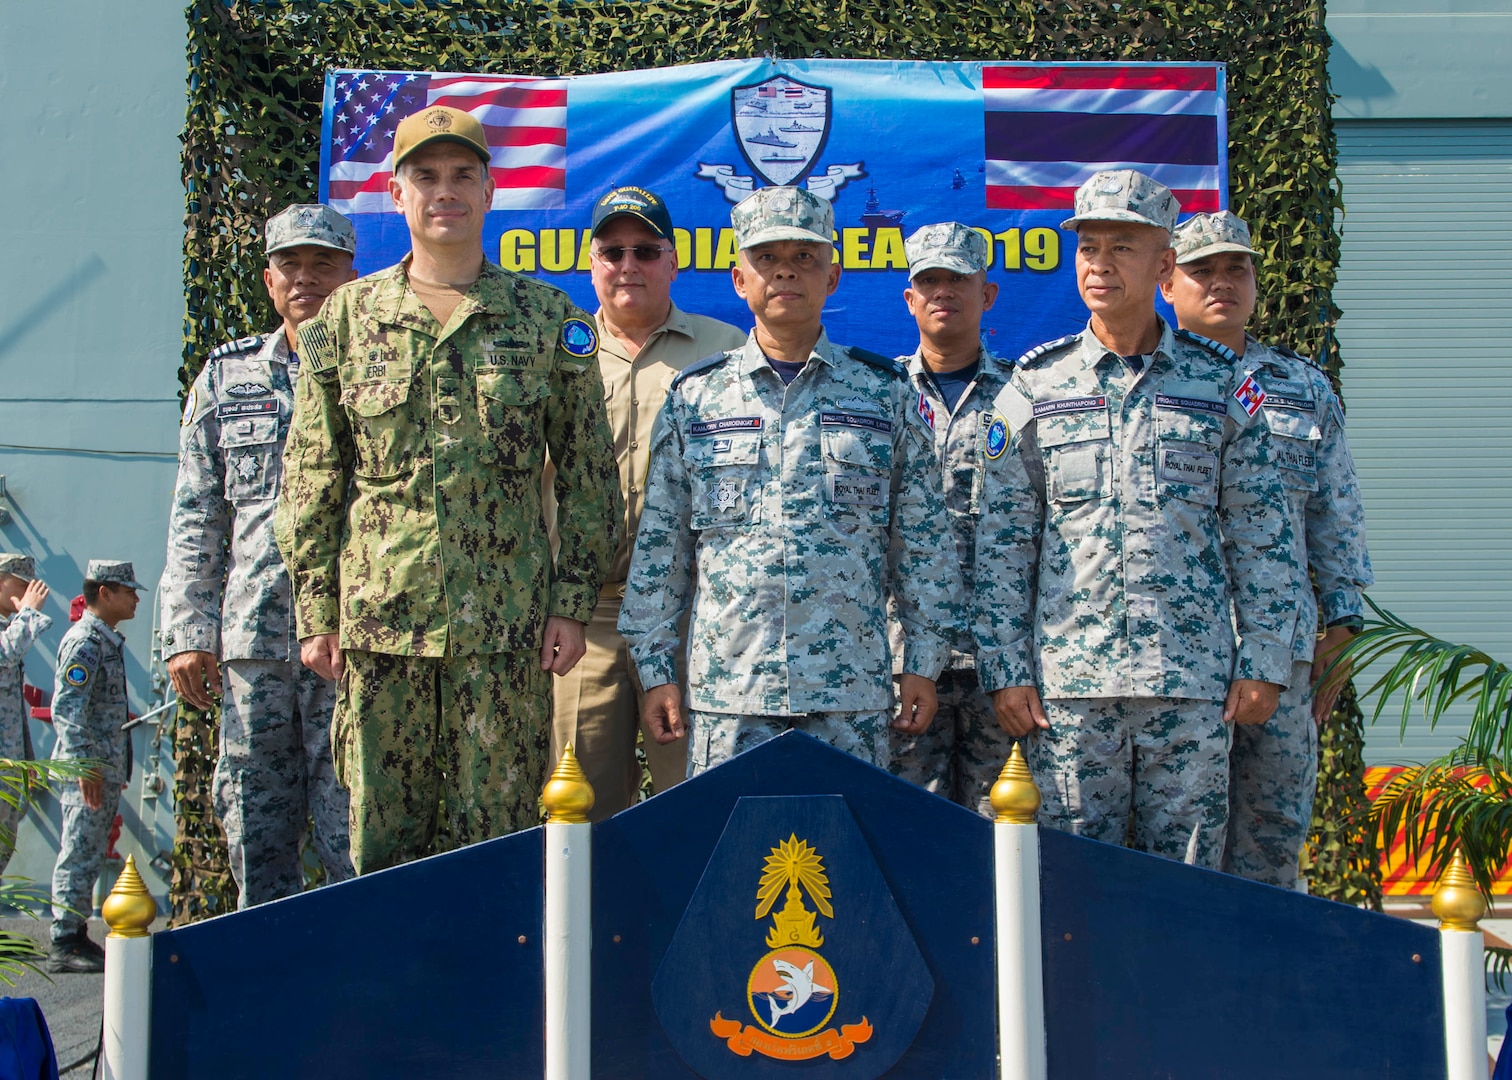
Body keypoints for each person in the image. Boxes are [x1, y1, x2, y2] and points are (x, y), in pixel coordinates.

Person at [278, 105, 620, 874]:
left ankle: (496, 994)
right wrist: (314, 612)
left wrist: (570, 602)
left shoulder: (546, 319)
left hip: (504, 641)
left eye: (462, 174)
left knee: (498, 848)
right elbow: (311, 475)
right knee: (378, 849)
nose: (445, 191)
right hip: (379, 632)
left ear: (491, 190)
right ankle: (386, 994)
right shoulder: (347, 318)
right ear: (396, 194)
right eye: (425, 176)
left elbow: (589, 475)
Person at [977, 170, 1299, 868]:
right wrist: (1006, 667)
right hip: (1068, 691)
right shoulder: (1035, 384)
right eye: (1088, 246)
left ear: (1162, 265)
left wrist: (1268, 657)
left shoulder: (1219, 385)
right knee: (1065, 883)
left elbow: (1262, 530)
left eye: (1122, 246)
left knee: (1184, 885)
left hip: (1191, 683)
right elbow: (1002, 539)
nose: (1099, 263)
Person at [619, 185, 963, 775]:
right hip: (731, 692)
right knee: (733, 859)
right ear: (738, 279)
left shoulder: (884, 393)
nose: (785, 273)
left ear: (832, 277)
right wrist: (655, 670)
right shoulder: (697, 397)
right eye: (767, 259)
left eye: (805, 258)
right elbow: (662, 547)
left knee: (847, 858)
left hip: (849, 693)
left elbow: (923, 544)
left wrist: (925, 661)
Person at [1160, 211, 1373, 887]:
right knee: (1177, 840)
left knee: (1273, 829)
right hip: (1174, 646)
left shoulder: (1302, 388)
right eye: (1202, 270)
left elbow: (1333, 509)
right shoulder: (1143, 380)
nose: (1221, 282)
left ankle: (1260, 984)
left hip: (1280, 644)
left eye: (1236, 268)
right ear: (1167, 282)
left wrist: (1342, 620)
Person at [161, 204, 357, 906]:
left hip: (351, 644)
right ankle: (267, 984)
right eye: (291, 265)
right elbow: (197, 514)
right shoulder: (226, 376)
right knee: (254, 824)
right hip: (254, 645)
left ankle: (361, 992)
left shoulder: (382, 371)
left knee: (354, 833)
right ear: (270, 280)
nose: (306, 278)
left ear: (350, 273)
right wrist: (188, 631)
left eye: (323, 263)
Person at [547, 186, 745, 819]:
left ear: (672, 260)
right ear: (591, 262)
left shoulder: (727, 351)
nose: (628, 265)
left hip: (692, 617)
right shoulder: (556, 351)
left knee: (698, 805)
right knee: (578, 812)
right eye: (612, 252)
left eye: (644, 251)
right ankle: (588, 923)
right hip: (585, 619)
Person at [886, 223, 1020, 815]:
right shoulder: (877, 391)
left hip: (1002, 659)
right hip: (904, 656)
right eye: (929, 281)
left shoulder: (1025, 393)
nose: (944, 292)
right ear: (910, 299)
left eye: (959, 280)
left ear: (986, 294)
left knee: (1004, 835)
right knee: (909, 826)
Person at [47, 560, 141, 973]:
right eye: (128, 590)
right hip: (86, 771)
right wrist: (86, 767)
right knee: (79, 849)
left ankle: (74, 932)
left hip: (99, 768)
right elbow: (66, 708)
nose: (135, 598)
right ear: (104, 593)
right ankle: (63, 940)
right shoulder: (86, 641)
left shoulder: (104, 640)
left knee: (88, 850)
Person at [0, 554, 50, 875]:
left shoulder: (10, 627)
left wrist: (26, 760)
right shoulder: (14, 630)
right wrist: (28, 613)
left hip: (9, 761)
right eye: (22, 582)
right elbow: (4, 654)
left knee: (4, 844)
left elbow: (14, 707)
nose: (30, 590)